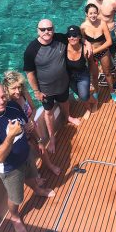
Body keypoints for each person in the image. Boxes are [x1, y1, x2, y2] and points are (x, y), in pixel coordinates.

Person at [0, 83, 54, 232]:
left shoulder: (12, 105)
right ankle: (14, 217)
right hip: (10, 168)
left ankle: (37, 190)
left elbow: (25, 124)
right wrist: (10, 136)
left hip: (26, 155)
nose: (1, 101)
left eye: (3, 96)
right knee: (16, 198)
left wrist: (35, 137)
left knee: (32, 176)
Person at [23, 19, 82, 154]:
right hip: (45, 90)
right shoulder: (31, 50)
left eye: (49, 29)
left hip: (62, 83)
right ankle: (52, 138)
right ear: (38, 31)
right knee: (48, 112)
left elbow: (77, 38)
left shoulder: (60, 38)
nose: (46, 32)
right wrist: (36, 91)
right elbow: (30, 74)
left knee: (65, 101)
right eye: (43, 29)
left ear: (53, 29)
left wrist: (87, 43)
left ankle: (68, 117)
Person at [2, 71, 61, 176]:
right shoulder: (6, 105)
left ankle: (49, 165)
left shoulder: (23, 93)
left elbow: (33, 109)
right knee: (27, 156)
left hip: (32, 127)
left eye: (19, 87)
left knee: (41, 147)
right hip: (20, 135)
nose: (17, 91)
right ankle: (35, 176)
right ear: (6, 89)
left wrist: (31, 120)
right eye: (13, 88)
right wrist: (23, 127)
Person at [81, 3, 116, 102]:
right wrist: (86, 48)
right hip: (91, 54)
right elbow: (81, 40)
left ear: (97, 13)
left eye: (95, 13)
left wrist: (95, 51)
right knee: (94, 75)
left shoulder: (102, 23)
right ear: (86, 14)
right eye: (90, 13)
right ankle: (96, 92)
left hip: (103, 51)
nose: (93, 15)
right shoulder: (83, 27)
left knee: (107, 73)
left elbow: (109, 41)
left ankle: (112, 91)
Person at [66, 25, 98, 115]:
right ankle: (88, 109)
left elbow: (91, 64)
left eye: (75, 35)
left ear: (80, 36)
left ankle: (94, 102)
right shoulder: (64, 46)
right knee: (81, 95)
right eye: (69, 35)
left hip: (82, 75)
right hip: (70, 77)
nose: (72, 38)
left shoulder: (86, 50)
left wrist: (91, 79)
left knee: (84, 96)